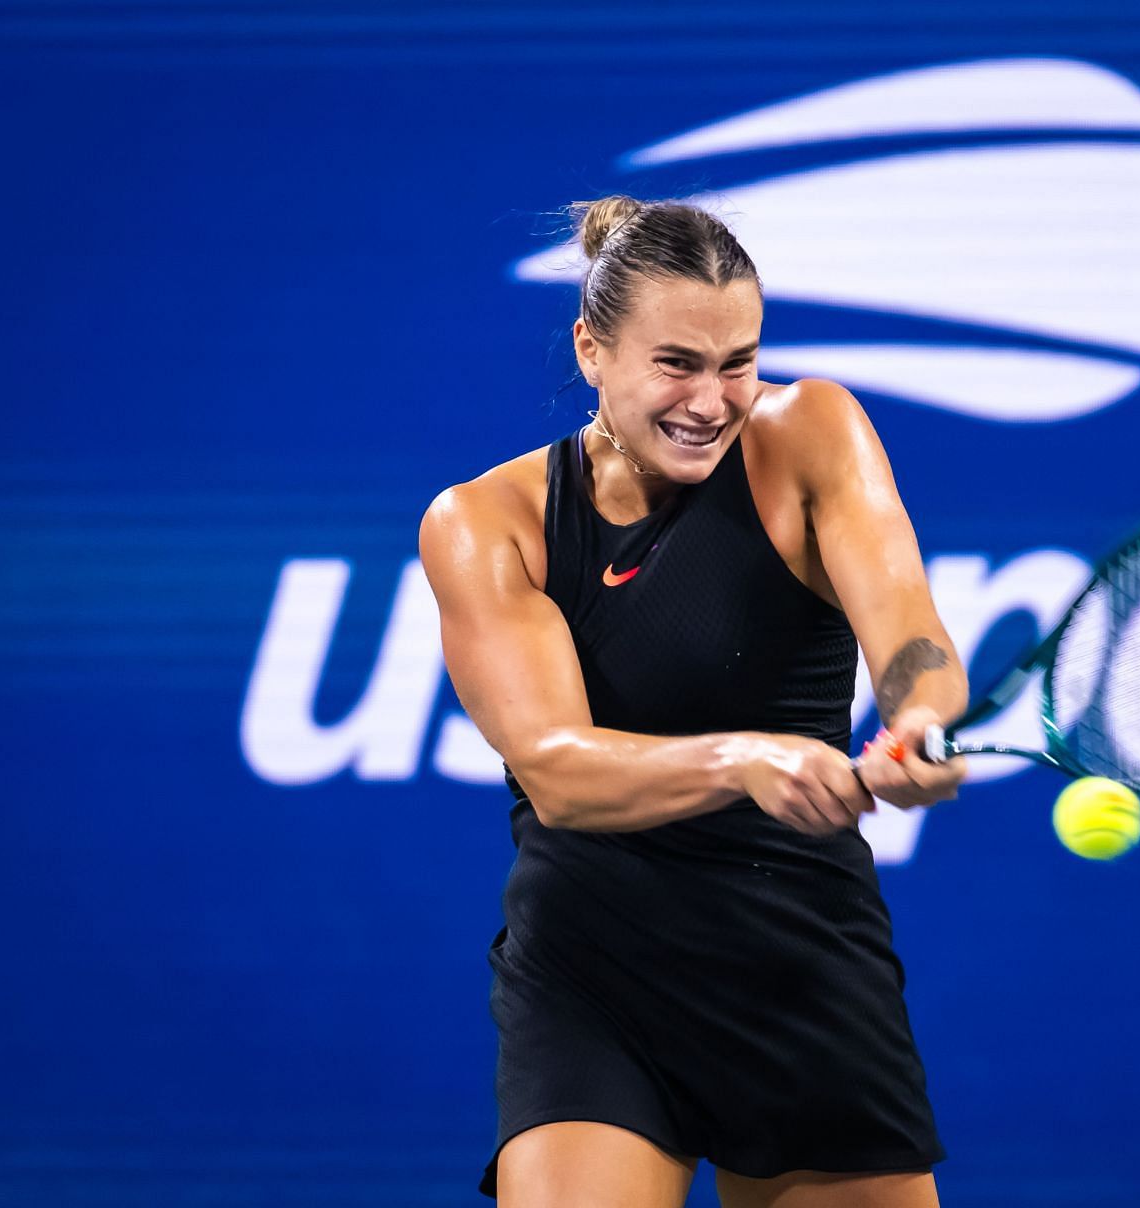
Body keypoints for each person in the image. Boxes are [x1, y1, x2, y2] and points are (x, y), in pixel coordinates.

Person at [418, 195, 969, 1208]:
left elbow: (914, 637)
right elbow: (557, 769)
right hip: (596, 974)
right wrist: (744, 761)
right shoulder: (487, 522)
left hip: (801, 963)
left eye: (737, 363)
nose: (711, 400)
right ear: (591, 349)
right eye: (676, 363)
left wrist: (918, 715)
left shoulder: (812, 430)